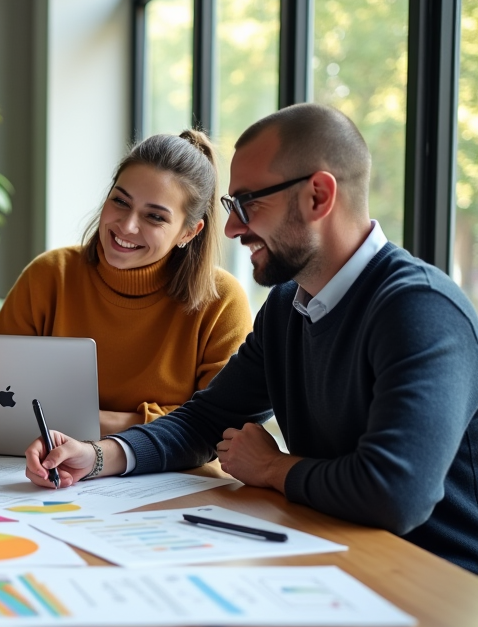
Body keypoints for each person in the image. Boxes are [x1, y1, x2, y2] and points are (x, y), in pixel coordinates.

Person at [25, 103, 478, 575]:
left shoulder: (421, 310)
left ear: (318, 197)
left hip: (437, 581)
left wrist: (272, 468)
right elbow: (206, 419)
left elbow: (394, 494)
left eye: (248, 204)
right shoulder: (288, 306)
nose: (231, 228)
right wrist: (96, 456)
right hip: (334, 557)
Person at [0, 130, 252, 435]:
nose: (126, 226)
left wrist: (96, 424)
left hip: (172, 479)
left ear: (188, 233)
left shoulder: (221, 301)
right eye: (120, 201)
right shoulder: (49, 275)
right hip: (42, 465)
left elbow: (220, 424)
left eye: (154, 217)